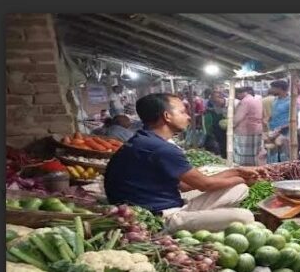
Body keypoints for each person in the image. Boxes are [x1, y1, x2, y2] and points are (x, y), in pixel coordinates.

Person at [104, 93, 256, 233]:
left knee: (239, 188)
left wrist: (236, 173)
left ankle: (206, 218)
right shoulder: (161, 148)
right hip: (159, 218)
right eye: (182, 112)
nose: (189, 117)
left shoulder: (143, 140)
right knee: (245, 217)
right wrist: (244, 179)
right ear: (167, 116)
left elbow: (184, 186)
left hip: (165, 204)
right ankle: (201, 221)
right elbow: (205, 185)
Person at [233, 87, 263, 166]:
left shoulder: (245, 101)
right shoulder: (256, 100)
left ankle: (244, 169)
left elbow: (238, 118)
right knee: (254, 154)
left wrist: (231, 126)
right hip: (257, 130)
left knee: (243, 156)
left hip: (245, 132)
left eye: (237, 94)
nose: (236, 97)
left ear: (241, 93)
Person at [267, 80, 292, 163]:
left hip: (285, 132)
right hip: (273, 131)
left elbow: (295, 119)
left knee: (284, 156)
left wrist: (281, 128)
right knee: (272, 155)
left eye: (272, 88)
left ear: (279, 88)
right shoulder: (275, 100)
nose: (270, 89)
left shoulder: (290, 102)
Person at [203, 90, 228, 158]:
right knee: (221, 142)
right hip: (218, 126)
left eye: (216, 101)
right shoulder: (215, 105)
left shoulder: (232, 102)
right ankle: (223, 155)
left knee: (226, 142)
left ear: (222, 98)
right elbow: (218, 113)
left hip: (228, 127)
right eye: (214, 101)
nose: (216, 103)